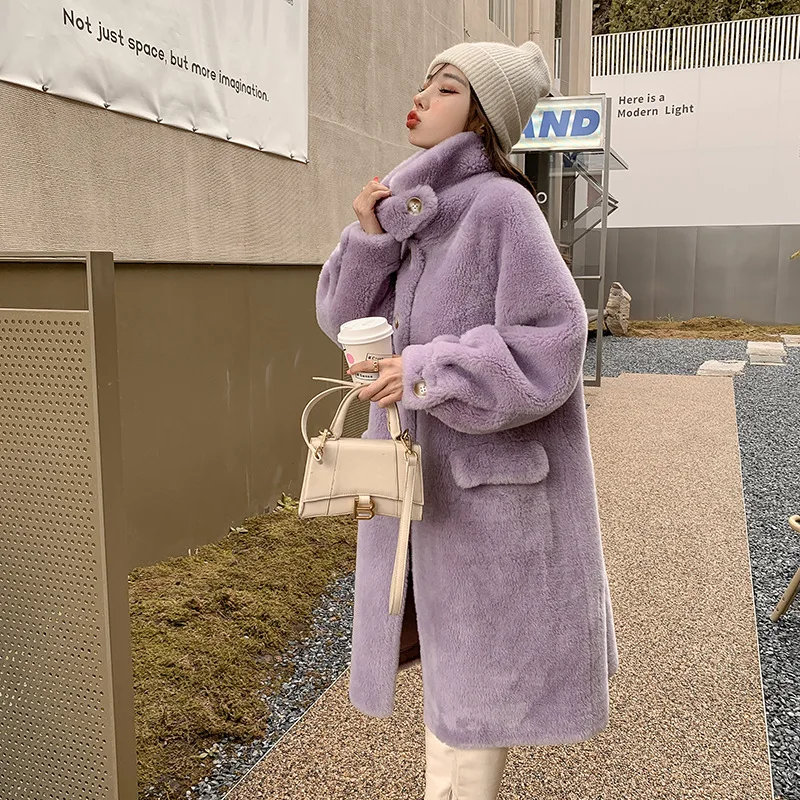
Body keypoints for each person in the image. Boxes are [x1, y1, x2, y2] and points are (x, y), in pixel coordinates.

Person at [316, 39, 619, 800]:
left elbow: (552, 344)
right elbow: (342, 319)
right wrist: (372, 240)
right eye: (425, 80)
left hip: (488, 501)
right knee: (449, 691)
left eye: (446, 87)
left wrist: (423, 371)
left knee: (471, 718)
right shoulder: (412, 214)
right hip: (420, 488)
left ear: (481, 117)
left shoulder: (501, 207)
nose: (422, 95)